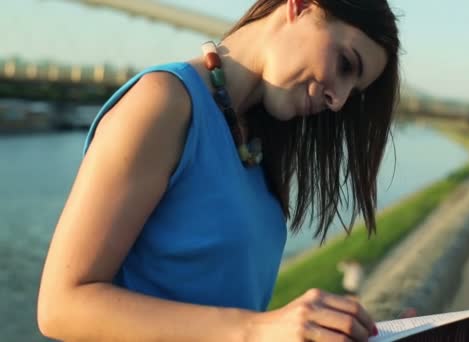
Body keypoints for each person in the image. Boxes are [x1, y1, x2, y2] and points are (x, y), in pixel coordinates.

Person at [37, 0, 400, 340]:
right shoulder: (164, 103)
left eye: (353, 91)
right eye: (346, 65)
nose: (338, 100)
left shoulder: (261, 142)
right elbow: (60, 306)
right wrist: (256, 330)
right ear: (301, 6)